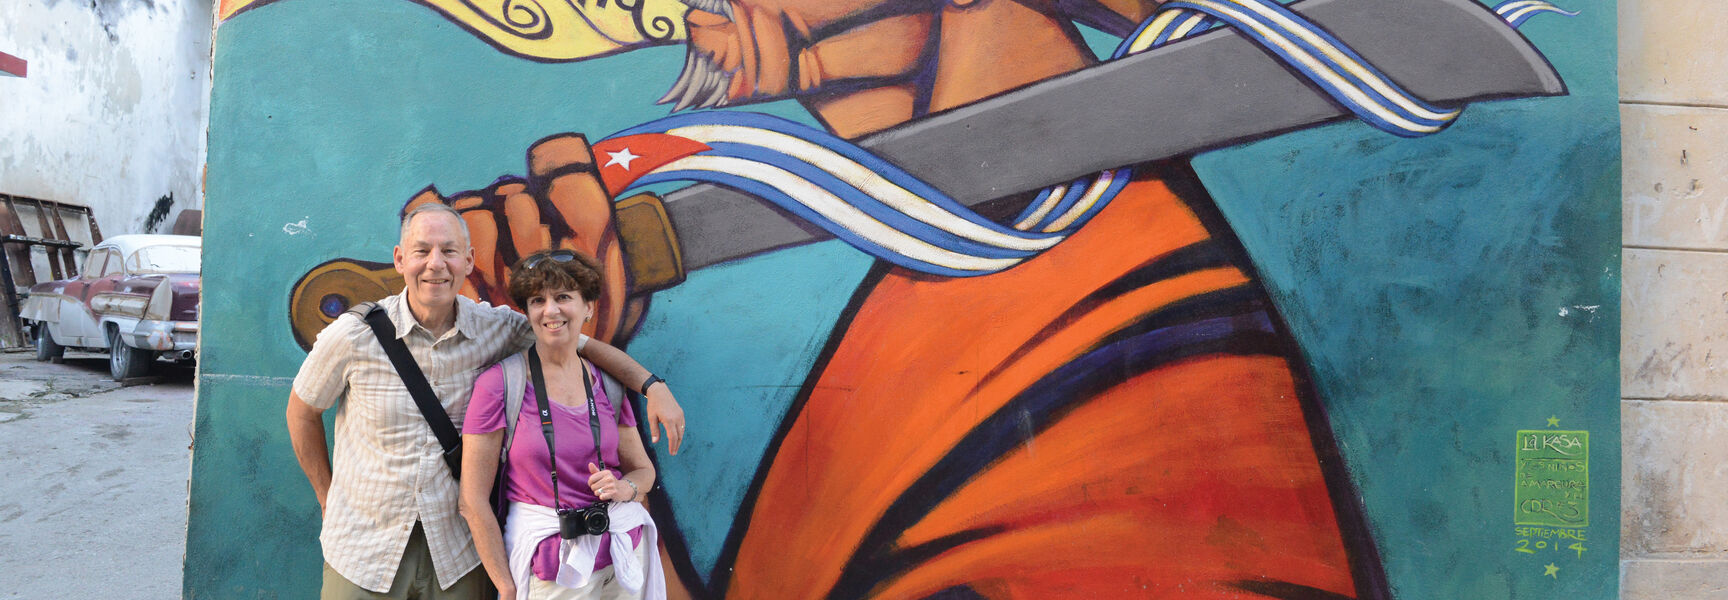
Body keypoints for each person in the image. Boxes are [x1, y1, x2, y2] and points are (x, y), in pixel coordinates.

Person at [286, 203, 683, 599]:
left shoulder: (499, 327)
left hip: (457, 555)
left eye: (450, 251)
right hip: (364, 551)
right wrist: (326, 497)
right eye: (422, 251)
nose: (435, 265)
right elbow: (302, 413)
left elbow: (581, 344)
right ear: (400, 259)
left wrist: (652, 386)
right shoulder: (353, 336)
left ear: (470, 260)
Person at [458, 249, 664, 600]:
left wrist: (625, 488)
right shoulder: (499, 385)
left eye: (563, 297)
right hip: (551, 571)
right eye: (538, 300)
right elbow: (472, 500)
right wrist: (505, 586)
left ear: (588, 307)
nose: (550, 310)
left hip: (624, 556)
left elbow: (644, 471)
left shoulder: (607, 383)